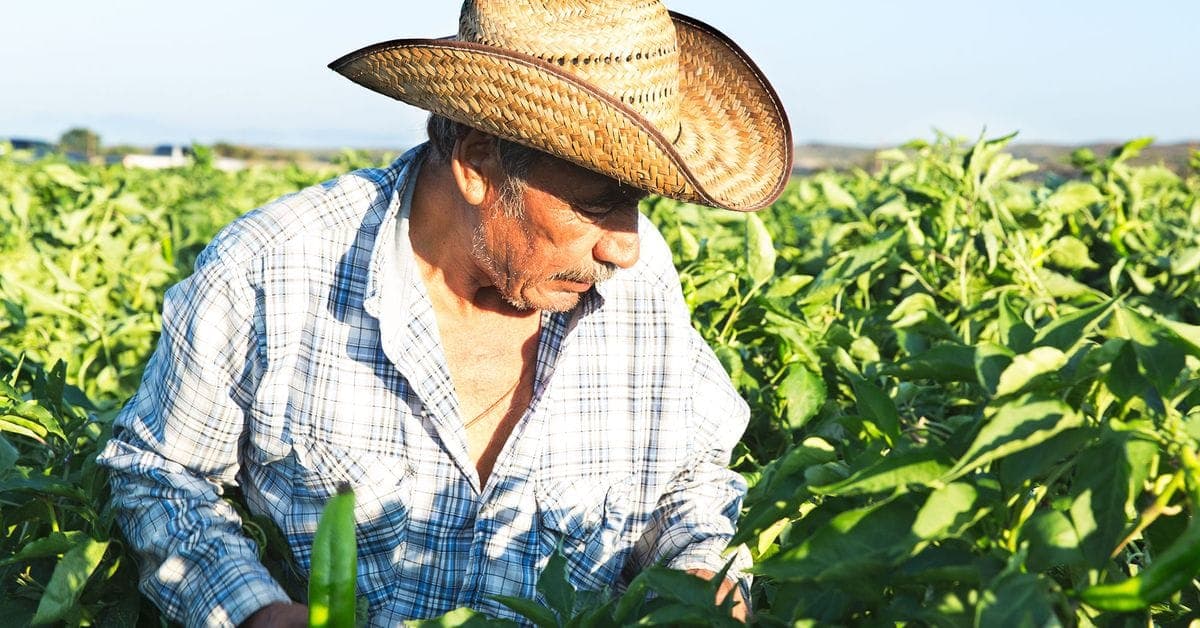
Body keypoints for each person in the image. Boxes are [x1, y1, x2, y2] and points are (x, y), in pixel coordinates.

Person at [96, 0, 792, 625]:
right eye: (598, 200)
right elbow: (158, 471)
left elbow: (688, 480)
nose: (628, 247)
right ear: (479, 163)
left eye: (644, 203)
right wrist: (253, 611)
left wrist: (703, 581)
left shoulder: (642, 290)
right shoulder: (275, 268)